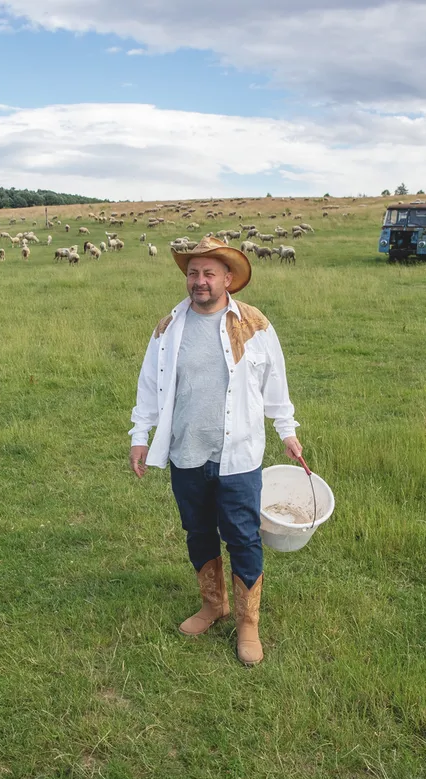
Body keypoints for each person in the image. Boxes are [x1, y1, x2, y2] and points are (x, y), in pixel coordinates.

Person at [128, 235, 302, 666]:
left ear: (229, 278)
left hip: (239, 454)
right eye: (193, 273)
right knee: (198, 531)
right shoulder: (169, 327)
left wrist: (287, 430)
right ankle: (213, 605)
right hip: (186, 451)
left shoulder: (254, 325)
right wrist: (139, 433)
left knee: (242, 536)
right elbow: (150, 383)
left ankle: (247, 624)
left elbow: (274, 383)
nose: (199, 281)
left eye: (209, 273)